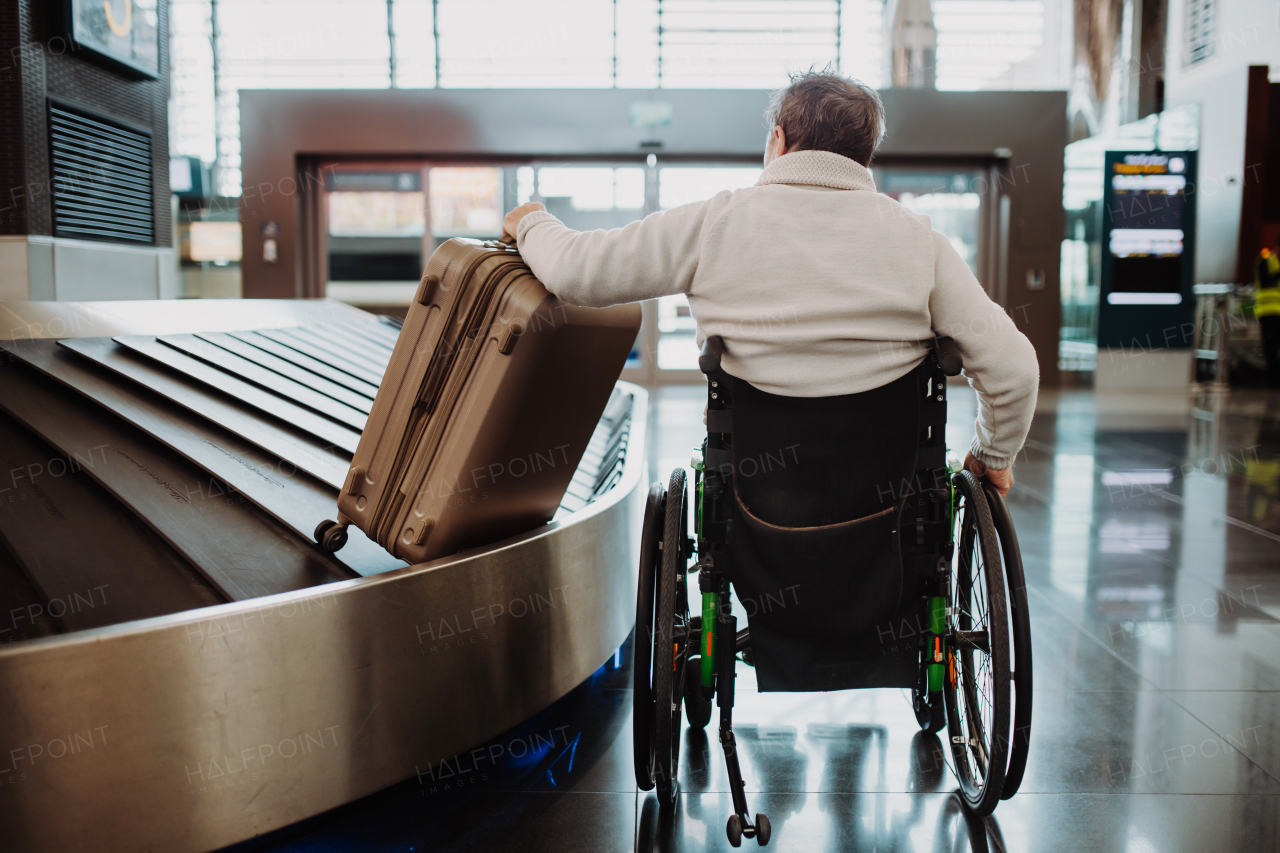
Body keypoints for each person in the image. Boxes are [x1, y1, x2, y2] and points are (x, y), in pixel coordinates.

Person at [503, 71, 1038, 496]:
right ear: (865, 157)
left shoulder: (715, 223)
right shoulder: (921, 242)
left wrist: (531, 221)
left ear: (778, 141)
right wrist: (992, 458)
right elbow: (1013, 369)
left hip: (757, 510)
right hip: (888, 516)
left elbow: (578, 272)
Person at [1255, 239, 1280, 388]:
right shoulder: (1265, 260)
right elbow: (1264, 281)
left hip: (1277, 311)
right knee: (1271, 347)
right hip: (1268, 311)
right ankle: (1273, 380)